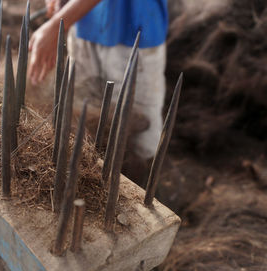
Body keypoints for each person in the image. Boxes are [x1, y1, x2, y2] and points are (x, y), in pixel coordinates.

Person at [28, 0, 169, 185]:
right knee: (86, 122)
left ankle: (139, 193)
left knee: (139, 137)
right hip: (84, 24)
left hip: (134, 32)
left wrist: (57, 26)